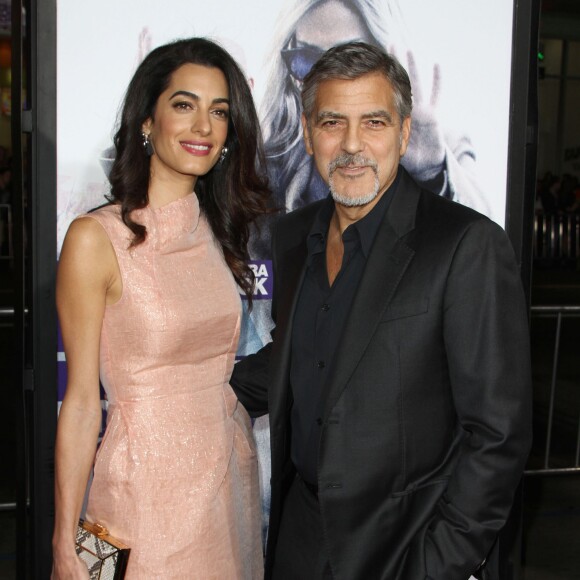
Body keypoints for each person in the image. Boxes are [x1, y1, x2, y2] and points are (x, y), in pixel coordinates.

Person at [231, 42, 532, 579]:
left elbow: (497, 435)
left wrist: (438, 563)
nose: (351, 145)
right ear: (307, 131)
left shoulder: (464, 245)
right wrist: (182, 385)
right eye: (331, 122)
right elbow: (306, 358)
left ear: (404, 131)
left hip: (403, 547)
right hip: (298, 539)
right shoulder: (296, 237)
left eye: (373, 121)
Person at [52, 38, 269, 579]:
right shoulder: (94, 238)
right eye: (184, 105)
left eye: (219, 111)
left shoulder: (218, 229)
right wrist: (64, 539)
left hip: (227, 476)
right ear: (147, 121)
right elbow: (80, 403)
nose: (203, 125)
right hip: (140, 491)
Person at [251, 0, 488, 259]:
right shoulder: (264, 166)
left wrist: (433, 173)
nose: (326, 82)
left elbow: (482, 248)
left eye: (349, 60)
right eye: (306, 59)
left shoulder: (442, 152)